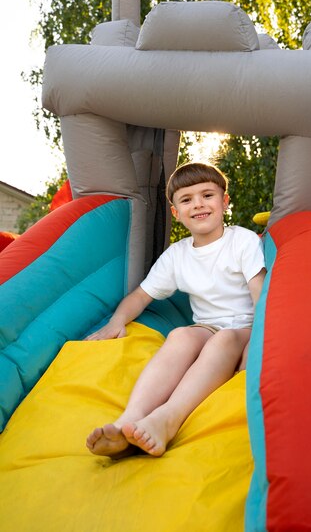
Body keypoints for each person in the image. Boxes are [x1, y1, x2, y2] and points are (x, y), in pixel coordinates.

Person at [86, 162, 266, 458]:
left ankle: (167, 418)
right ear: (175, 212)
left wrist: (258, 342)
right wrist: (116, 321)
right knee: (181, 335)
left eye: (207, 195)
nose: (198, 204)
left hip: (246, 328)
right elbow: (140, 296)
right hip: (207, 327)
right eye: (186, 199)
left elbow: (261, 297)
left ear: (224, 201)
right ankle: (129, 420)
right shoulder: (177, 255)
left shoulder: (241, 241)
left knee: (223, 340)